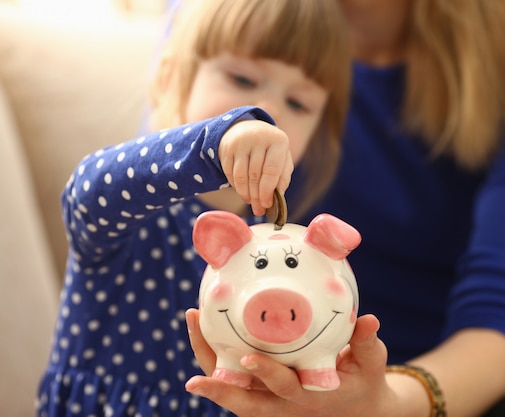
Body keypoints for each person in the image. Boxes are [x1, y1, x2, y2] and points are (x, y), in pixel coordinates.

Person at [183, 1, 505, 417]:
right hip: (293, 382)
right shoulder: (228, 15)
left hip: (503, 390)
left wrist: (384, 403)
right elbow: (175, 204)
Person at [35, 0, 351, 415]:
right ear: (169, 80)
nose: (268, 114)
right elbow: (87, 190)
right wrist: (214, 142)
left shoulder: (278, 246)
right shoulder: (133, 207)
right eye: (242, 78)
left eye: (298, 104)